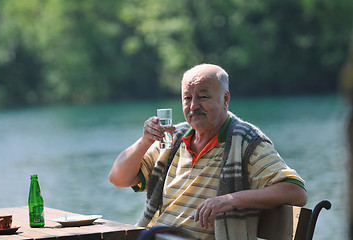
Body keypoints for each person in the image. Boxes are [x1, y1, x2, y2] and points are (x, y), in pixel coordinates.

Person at [109, 63, 307, 240]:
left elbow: (295, 192)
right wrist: (145, 141)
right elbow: (119, 178)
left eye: (203, 97)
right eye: (187, 98)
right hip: (158, 236)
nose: (194, 106)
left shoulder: (245, 141)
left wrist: (230, 200)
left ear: (225, 99)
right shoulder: (174, 138)